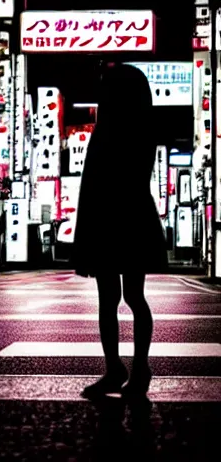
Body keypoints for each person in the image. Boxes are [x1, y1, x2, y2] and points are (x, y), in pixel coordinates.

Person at [71, 62, 168, 399]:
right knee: (134, 297)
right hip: (135, 218)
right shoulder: (144, 128)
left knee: (108, 299)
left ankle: (116, 368)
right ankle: (139, 367)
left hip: (106, 221)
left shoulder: (107, 131)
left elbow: (93, 186)